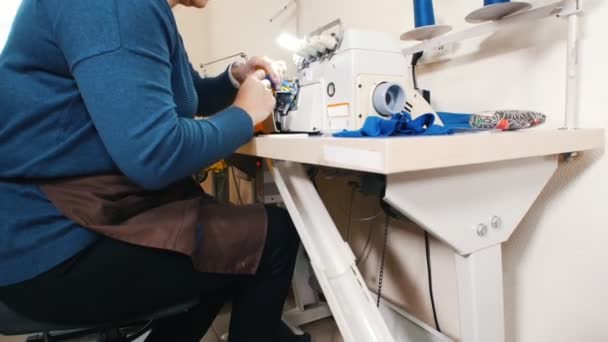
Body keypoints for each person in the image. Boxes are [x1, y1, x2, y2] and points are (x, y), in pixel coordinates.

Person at [0, 0, 309, 341]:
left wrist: (234, 80)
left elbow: (178, 97)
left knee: (227, 248)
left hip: (68, 221)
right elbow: (156, 154)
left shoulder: (142, 11)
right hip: (51, 245)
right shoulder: (118, 8)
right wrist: (244, 115)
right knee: (273, 235)